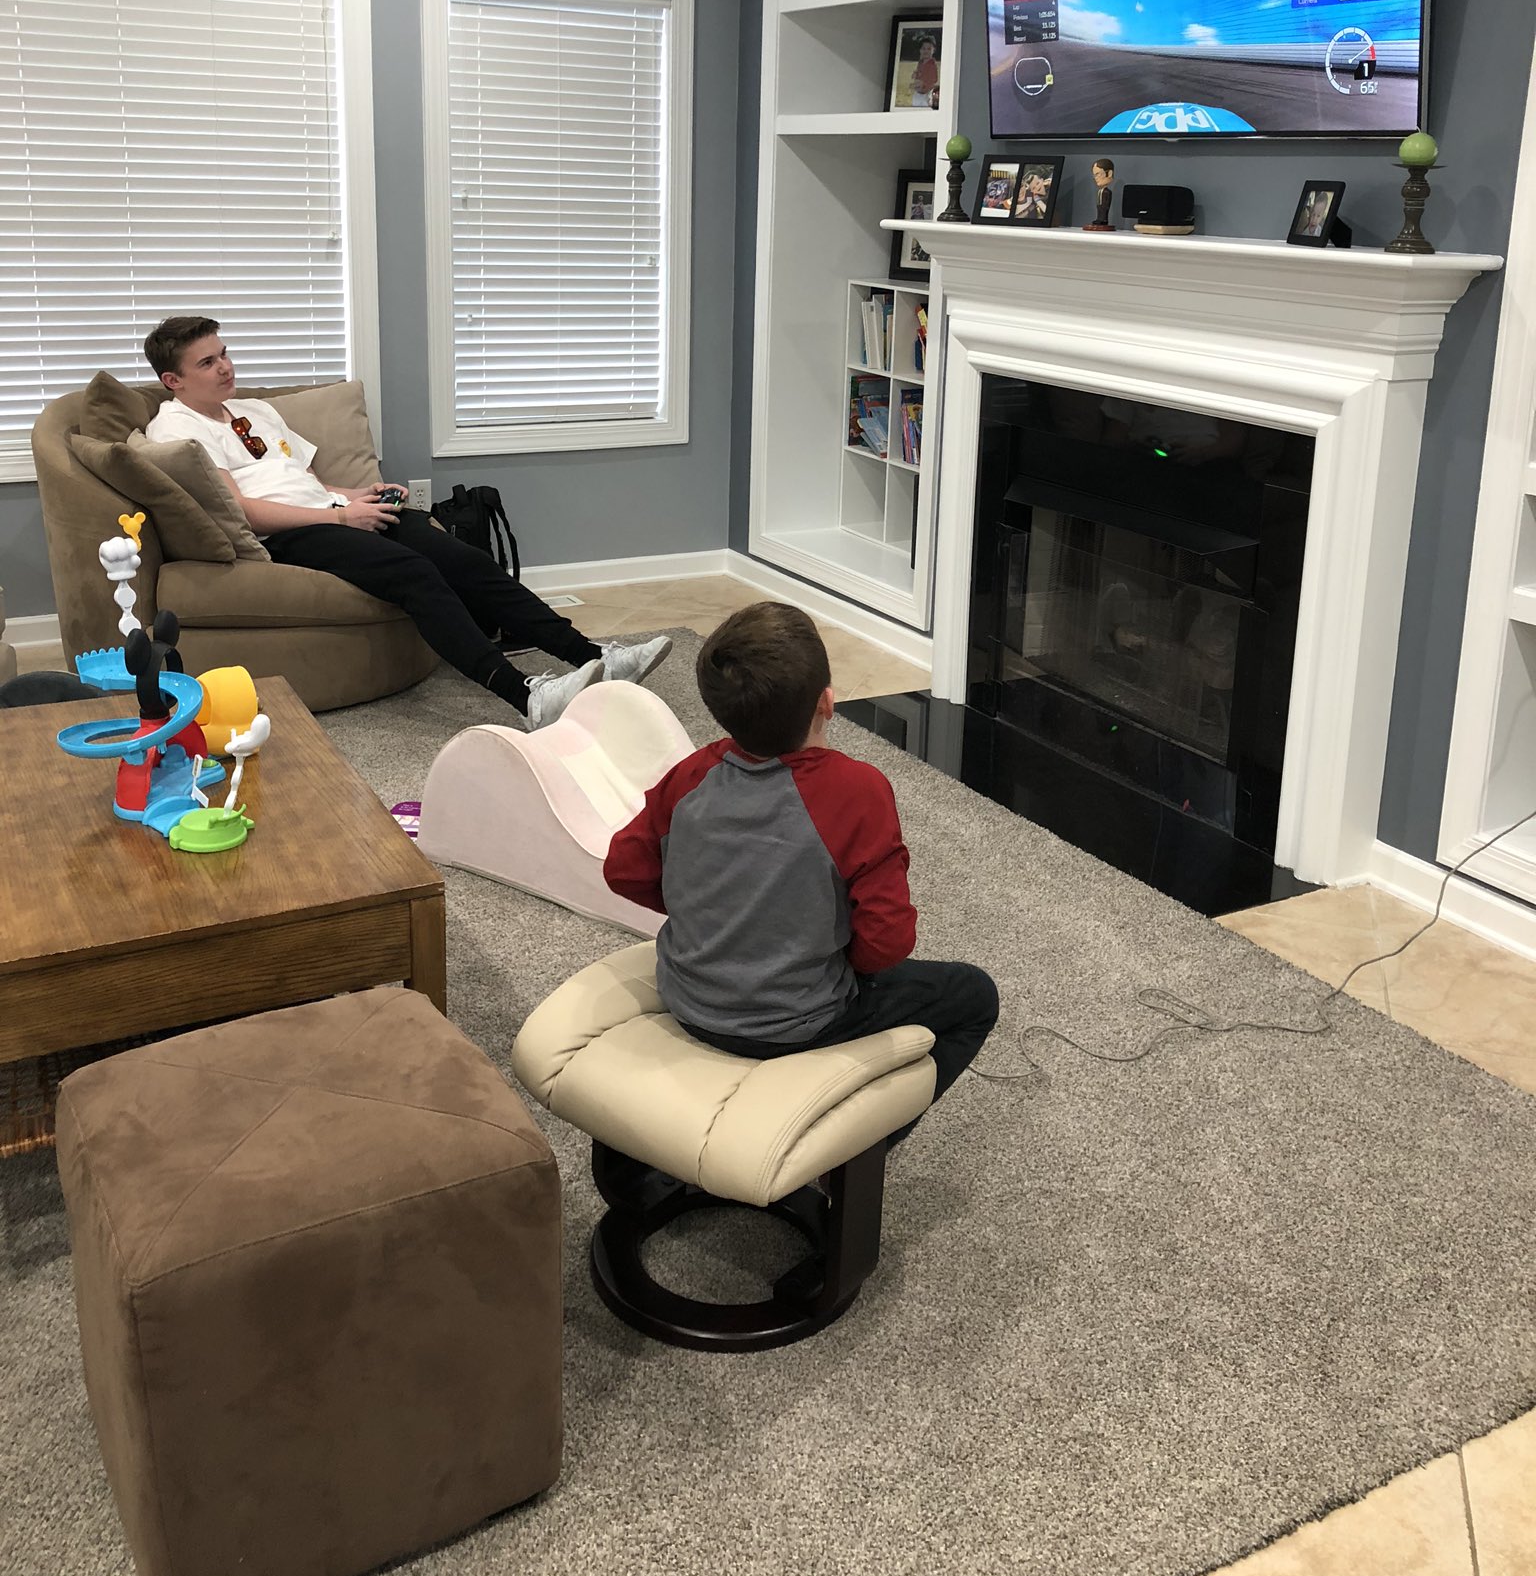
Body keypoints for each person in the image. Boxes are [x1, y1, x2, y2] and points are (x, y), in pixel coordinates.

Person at [142, 316, 671, 728]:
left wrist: (359, 496)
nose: (225, 367)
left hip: (332, 511)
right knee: (413, 573)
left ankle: (594, 657)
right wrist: (342, 518)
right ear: (173, 380)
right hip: (289, 534)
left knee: (463, 558)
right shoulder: (176, 430)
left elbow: (305, 480)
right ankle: (526, 697)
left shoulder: (255, 410)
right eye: (207, 362)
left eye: (224, 353)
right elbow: (242, 508)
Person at [603, 601, 999, 1135]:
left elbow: (623, 870)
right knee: (974, 996)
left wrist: (705, 908)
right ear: (827, 703)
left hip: (687, 1001)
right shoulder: (858, 791)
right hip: (800, 1022)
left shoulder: (690, 775)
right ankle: (853, 1153)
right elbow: (887, 942)